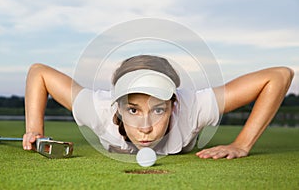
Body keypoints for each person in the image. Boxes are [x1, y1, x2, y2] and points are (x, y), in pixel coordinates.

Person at [22, 55, 294, 159]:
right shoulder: (97, 108)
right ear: (116, 107)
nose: (146, 127)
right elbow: (39, 73)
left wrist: (242, 144)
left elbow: (280, 75)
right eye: (133, 110)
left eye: (159, 109)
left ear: (174, 104)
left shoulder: (195, 106)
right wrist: (35, 132)